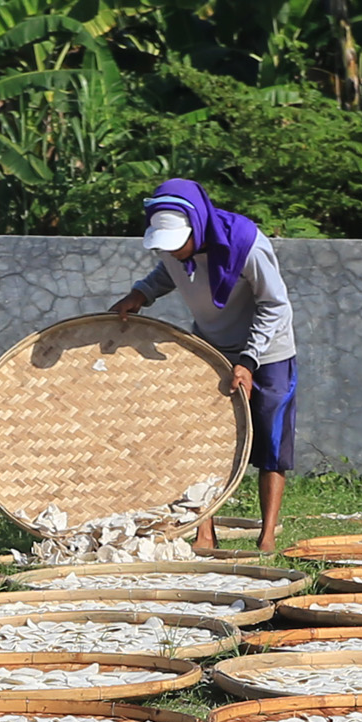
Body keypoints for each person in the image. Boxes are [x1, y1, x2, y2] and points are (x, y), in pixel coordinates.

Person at [108, 179, 293, 554]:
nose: (173, 252)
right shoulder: (175, 253)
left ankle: (267, 534)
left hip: (268, 350)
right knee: (200, 442)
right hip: (211, 347)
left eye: (178, 244)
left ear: (198, 225)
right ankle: (204, 533)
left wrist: (249, 360)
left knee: (272, 441)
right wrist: (140, 294)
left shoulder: (248, 245)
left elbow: (274, 305)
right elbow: (168, 273)